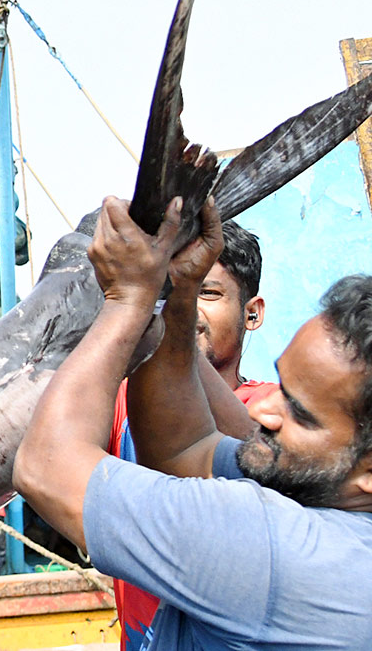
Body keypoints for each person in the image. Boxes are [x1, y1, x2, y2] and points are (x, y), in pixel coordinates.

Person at [14, 196, 372, 650]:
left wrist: (128, 299)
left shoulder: (278, 552)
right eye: (280, 388)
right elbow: (187, 451)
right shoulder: (323, 498)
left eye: (299, 413)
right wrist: (175, 297)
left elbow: (45, 467)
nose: (261, 411)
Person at [107, 219, 274, 648]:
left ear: (251, 312)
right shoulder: (125, 401)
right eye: (173, 292)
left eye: (207, 292)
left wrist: (174, 322)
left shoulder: (273, 413)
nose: (187, 306)